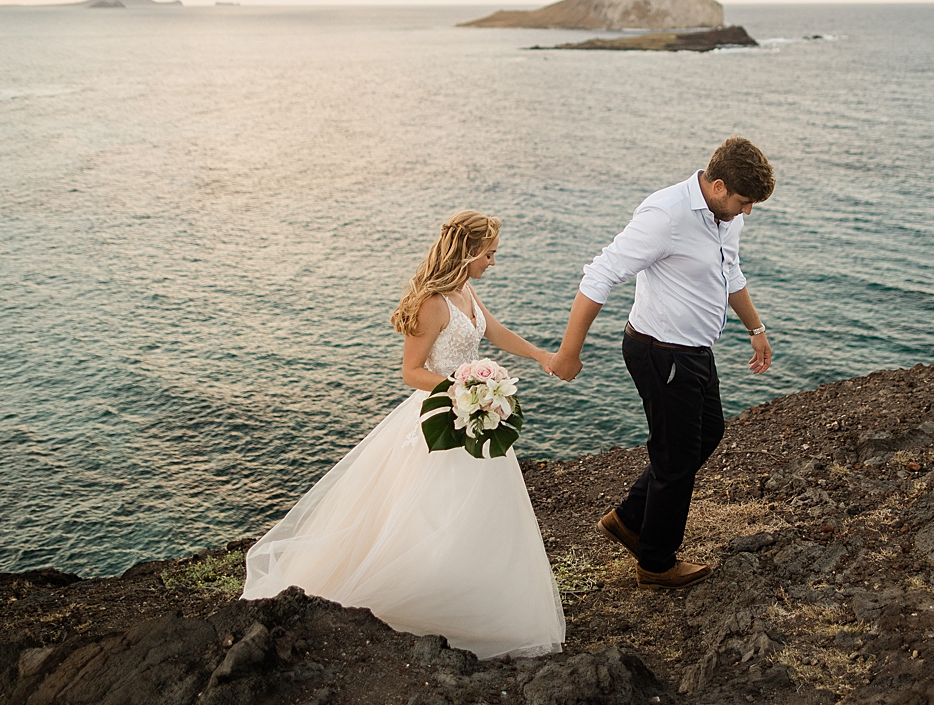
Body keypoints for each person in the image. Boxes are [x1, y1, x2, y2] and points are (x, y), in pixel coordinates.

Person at [243, 210, 565, 659]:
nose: (494, 261)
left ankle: (471, 589)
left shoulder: (465, 290)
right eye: (490, 253)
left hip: (473, 413)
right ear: (469, 251)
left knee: (476, 511)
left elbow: (492, 331)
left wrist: (541, 356)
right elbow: (411, 372)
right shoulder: (432, 302)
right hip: (441, 415)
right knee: (429, 507)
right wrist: (466, 388)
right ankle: (424, 596)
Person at [548, 137, 776, 589]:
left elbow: (729, 272)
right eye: (744, 202)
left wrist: (756, 329)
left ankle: (630, 519)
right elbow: (601, 273)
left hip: (693, 351)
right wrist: (569, 352)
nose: (747, 212)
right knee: (675, 459)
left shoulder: (725, 217)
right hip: (660, 352)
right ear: (717, 184)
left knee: (707, 433)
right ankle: (655, 563)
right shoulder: (665, 215)